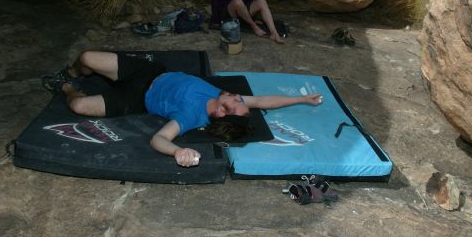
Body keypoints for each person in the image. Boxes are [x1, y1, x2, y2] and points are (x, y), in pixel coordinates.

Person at [42, 51, 322, 167]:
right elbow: (262, 101)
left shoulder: (191, 117)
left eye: (236, 103)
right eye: (240, 101)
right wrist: (301, 100)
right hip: (147, 71)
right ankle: (71, 70)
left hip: (134, 98)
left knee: (78, 104)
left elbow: (158, 139)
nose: (239, 97)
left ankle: (65, 85)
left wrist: (178, 151)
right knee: (87, 57)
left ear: (222, 113)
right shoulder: (224, 97)